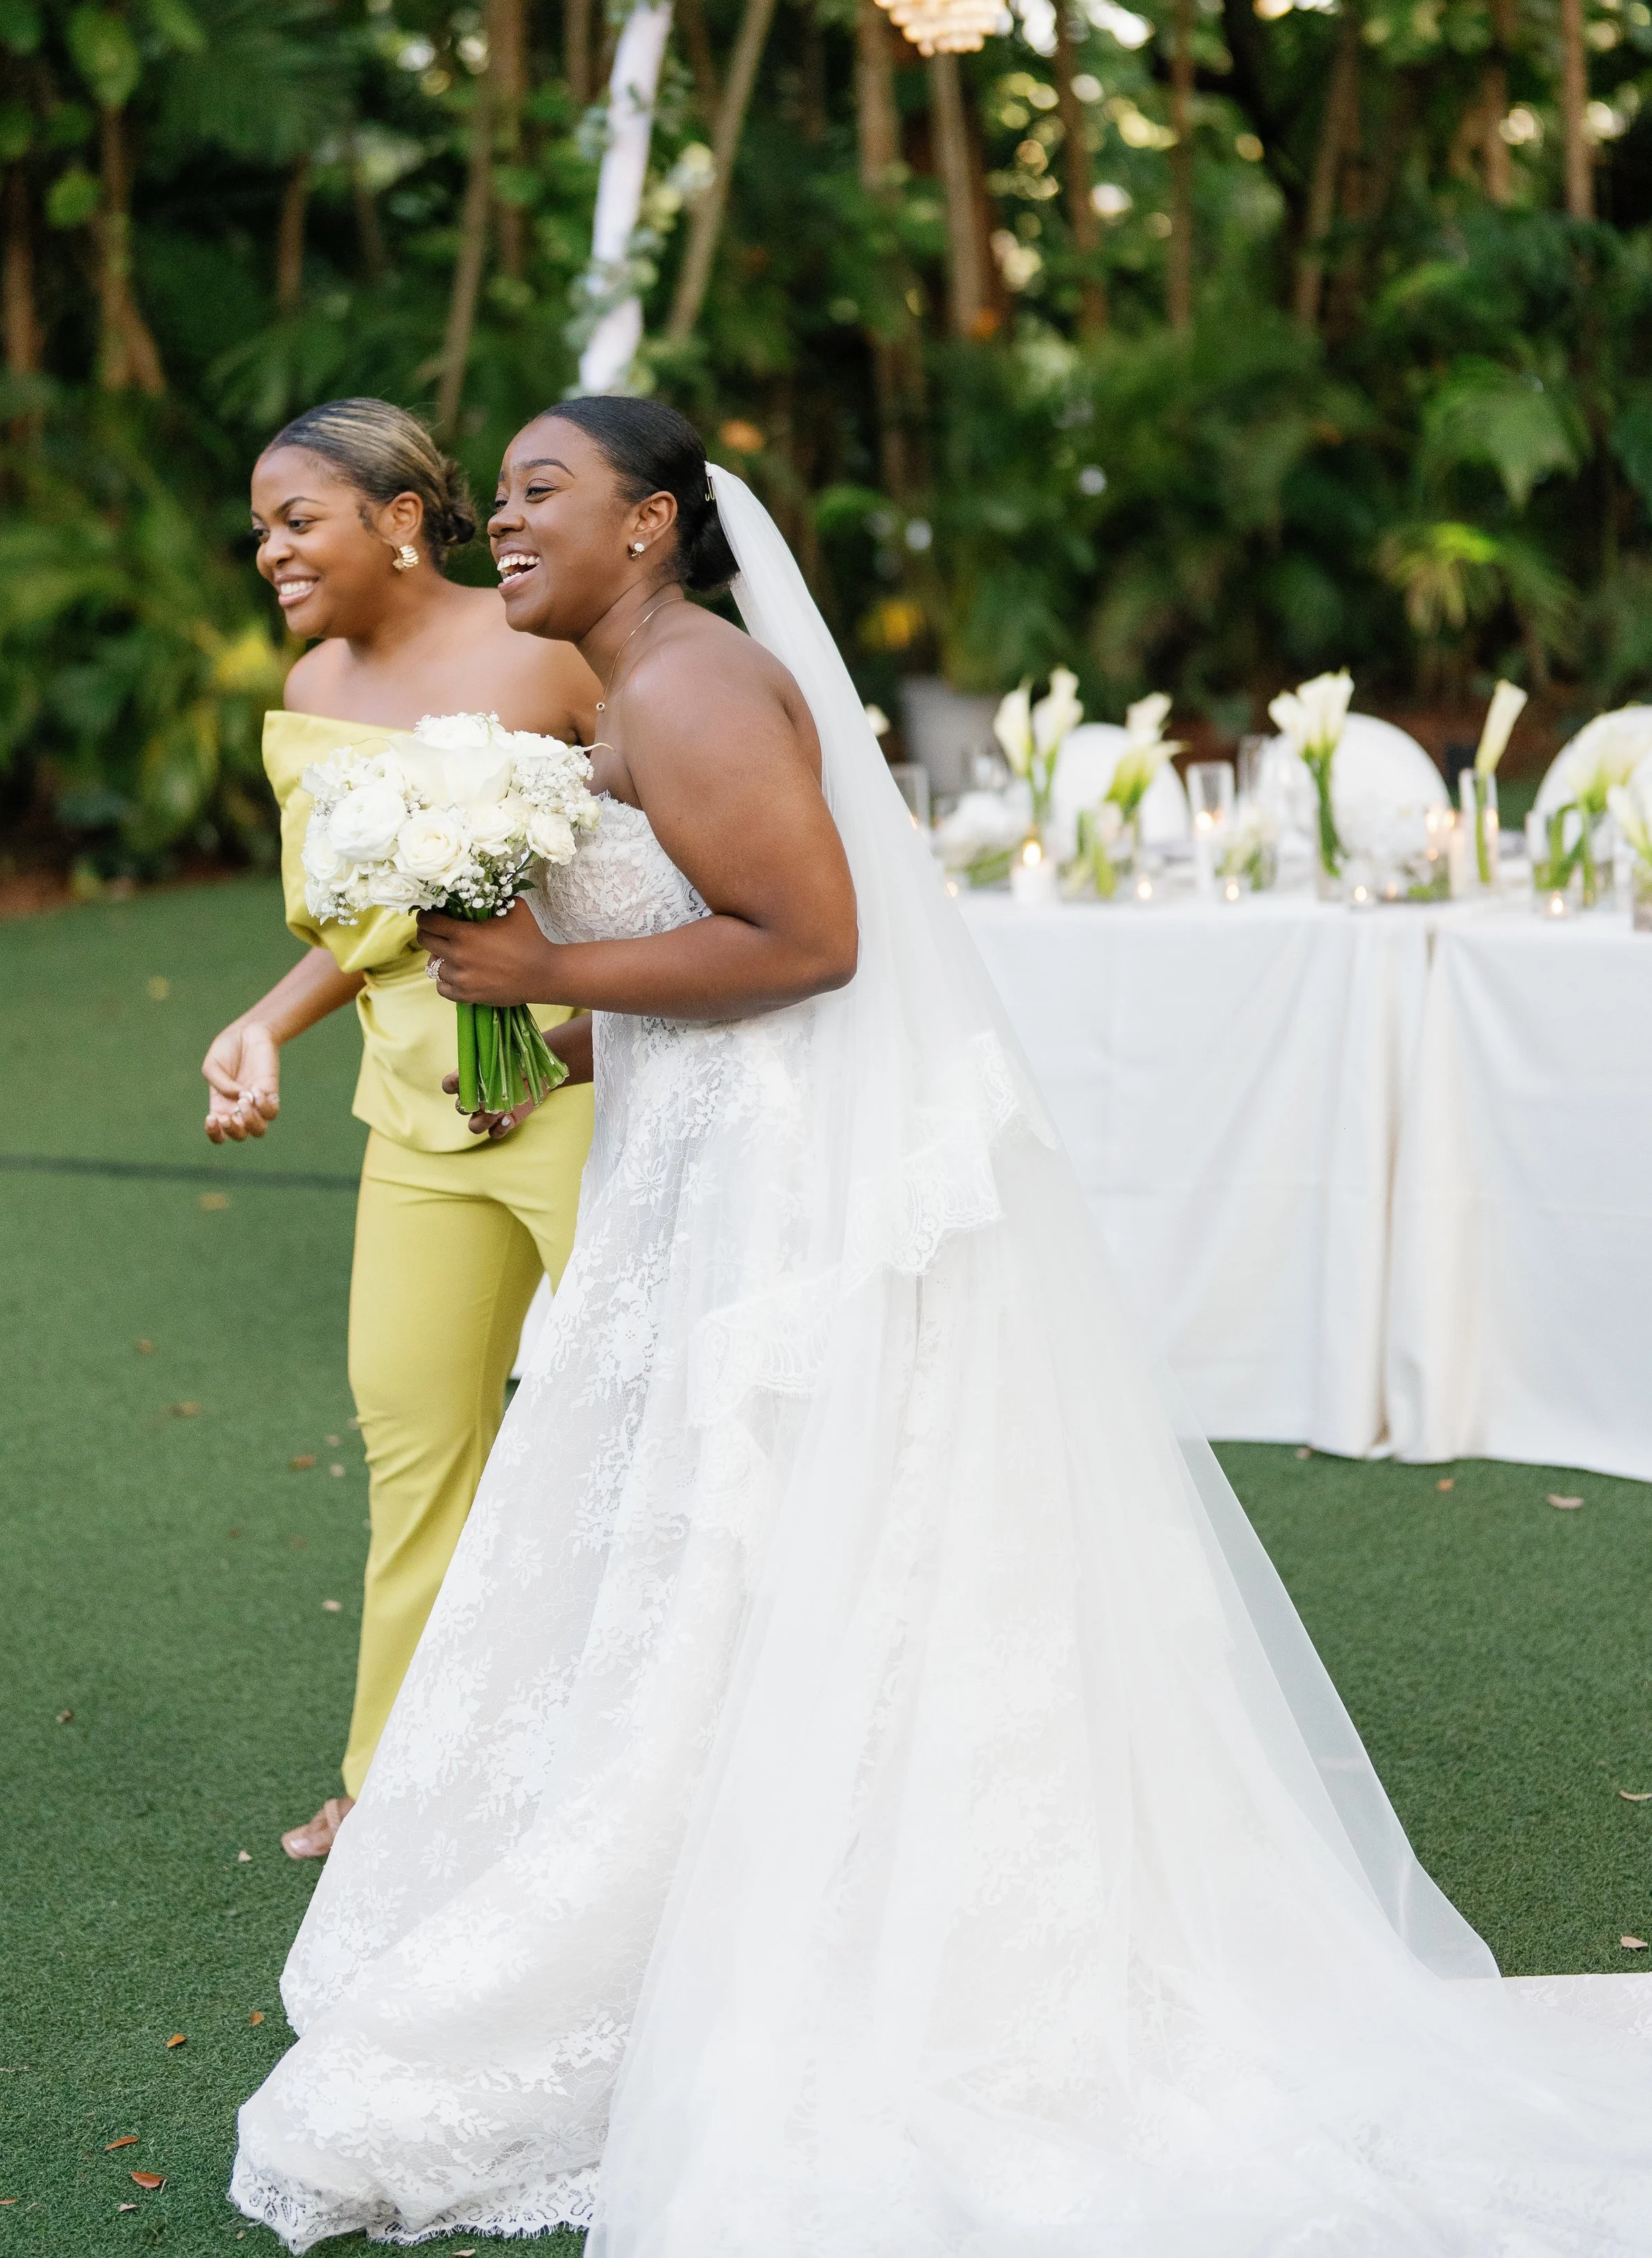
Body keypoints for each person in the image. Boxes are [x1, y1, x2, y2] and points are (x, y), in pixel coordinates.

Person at [234, 399, 1652, 2255]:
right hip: (701, 1163)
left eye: (540, 490)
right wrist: (572, 1032)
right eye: (495, 493)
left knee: (789, 1534)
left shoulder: (689, 689)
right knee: (732, 1557)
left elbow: (812, 938)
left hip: (779, 1192)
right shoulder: (645, 675)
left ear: (651, 522)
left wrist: (557, 970)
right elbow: (720, 929)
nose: (504, 518)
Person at [202, 397, 600, 1860]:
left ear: (399, 520)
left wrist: (571, 1036)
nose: (269, 551)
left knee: (659, 1430)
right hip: (411, 1119)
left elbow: (670, 866)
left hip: (583, 1099)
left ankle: (663, 1777)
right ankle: (394, 1787)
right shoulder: (313, 680)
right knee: (417, 1446)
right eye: (258, 528)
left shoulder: (544, 647)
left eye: (295, 519)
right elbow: (375, 922)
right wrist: (265, 1024)